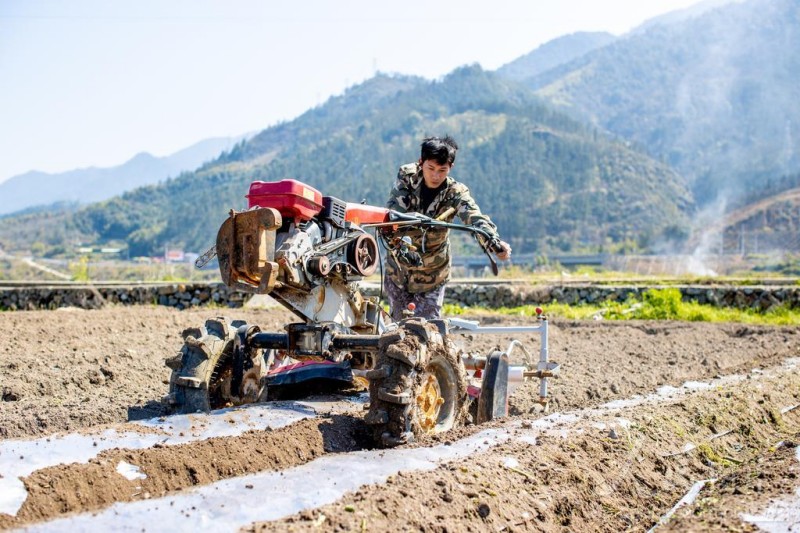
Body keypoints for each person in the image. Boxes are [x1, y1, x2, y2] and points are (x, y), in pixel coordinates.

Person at [384, 135, 512, 321]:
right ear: (421, 163)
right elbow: (394, 213)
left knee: (427, 330)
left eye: (442, 170)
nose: (436, 175)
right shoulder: (407, 177)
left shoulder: (455, 193)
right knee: (398, 329)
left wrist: (493, 241)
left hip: (432, 276)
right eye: (431, 168)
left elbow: (475, 218)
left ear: (450, 167)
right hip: (398, 271)